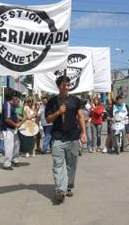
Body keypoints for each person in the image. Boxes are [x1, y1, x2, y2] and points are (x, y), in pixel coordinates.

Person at [45, 76, 87, 204]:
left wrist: (84, 133)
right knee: (58, 165)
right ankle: (59, 190)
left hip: (73, 137)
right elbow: (48, 120)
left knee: (71, 165)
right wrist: (58, 112)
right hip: (57, 137)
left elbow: (80, 117)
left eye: (69, 85)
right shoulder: (52, 102)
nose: (67, 87)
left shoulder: (75, 100)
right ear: (58, 86)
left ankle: (68, 186)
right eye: (64, 85)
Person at [1, 95, 21, 170]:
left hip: (13, 129)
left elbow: (16, 115)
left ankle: (14, 159)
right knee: (9, 147)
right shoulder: (8, 105)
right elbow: (7, 119)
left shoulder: (14, 107)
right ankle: (6, 164)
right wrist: (16, 124)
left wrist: (20, 118)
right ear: (13, 100)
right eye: (18, 101)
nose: (19, 103)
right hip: (7, 129)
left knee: (17, 144)